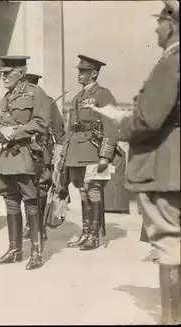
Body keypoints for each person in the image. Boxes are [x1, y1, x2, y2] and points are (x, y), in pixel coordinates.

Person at [110, 1, 180, 323]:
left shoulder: (171, 62)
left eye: (159, 22)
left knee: (169, 240)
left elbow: (148, 119)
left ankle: (171, 319)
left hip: (167, 166)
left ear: (172, 24)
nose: (156, 28)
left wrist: (122, 124)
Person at [0, 56, 51, 270]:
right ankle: (15, 250)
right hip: (6, 157)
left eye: (8, 73)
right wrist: (1, 129)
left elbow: (41, 123)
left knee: (31, 202)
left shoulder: (36, 93)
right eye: (3, 73)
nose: (4, 77)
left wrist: (14, 132)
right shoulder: (6, 97)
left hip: (26, 155)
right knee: (11, 201)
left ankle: (36, 252)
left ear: (21, 73)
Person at [62, 54, 118, 251]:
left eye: (84, 72)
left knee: (93, 190)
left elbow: (111, 125)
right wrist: (64, 153)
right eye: (79, 71)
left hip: (94, 150)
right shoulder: (77, 97)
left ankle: (94, 235)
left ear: (94, 74)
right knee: (82, 191)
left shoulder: (103, 95)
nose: (79, 74)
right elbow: (70, 128)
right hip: (77, 151)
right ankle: (85, 232)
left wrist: (105, 154)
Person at [22, 73, 66, 240]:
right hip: (22, 151)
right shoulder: (18, 101)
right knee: (25, 188)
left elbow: (59, 129)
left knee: (41, 189)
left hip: (43, 151)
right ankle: (29, 224)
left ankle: (39, 226)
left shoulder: (48, 102)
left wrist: (59, 155)